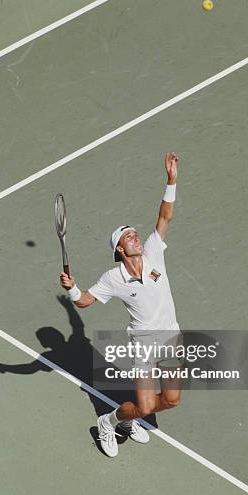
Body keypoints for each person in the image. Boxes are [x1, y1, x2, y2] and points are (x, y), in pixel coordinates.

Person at [60, 152, 181, 457]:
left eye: (136, 234)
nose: (137, 238)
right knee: (144, 405)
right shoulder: (113, 278)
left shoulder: (154, 251)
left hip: (170, 336)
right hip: (143, 344)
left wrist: (171, 180)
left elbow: (165, 216)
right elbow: (86, 301)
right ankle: (108, 422)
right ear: (119, 249)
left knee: (171, 400)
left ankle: (128, 423)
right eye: (130, 237)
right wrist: (73, 289)